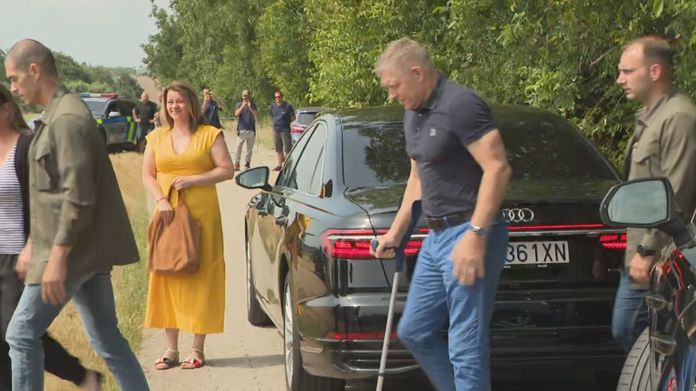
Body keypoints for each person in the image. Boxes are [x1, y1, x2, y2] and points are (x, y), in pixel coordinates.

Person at [3, 39, 149, 391]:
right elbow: (49, 196)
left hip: (72, 253)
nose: (13, 88)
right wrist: (34, 244)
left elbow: (78, 196)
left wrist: (56, 257)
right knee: (107, 341)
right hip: (81, 251)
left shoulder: (67, 118)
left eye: (14, 78)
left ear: (35, 70)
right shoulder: (58, 114)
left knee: (21, 334)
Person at [371, 38, 511, 391]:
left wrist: (476, 235)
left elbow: (497, 168)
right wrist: (397, 232)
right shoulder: (412, 112)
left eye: (394, 86)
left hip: (469, 231)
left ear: (417, 73)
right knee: (415, 330)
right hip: (435, 238)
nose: (391, 96)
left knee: (465, 344)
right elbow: (417, 177)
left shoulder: (460, 105)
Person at [0, 85, 103, 391]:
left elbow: (47, 201)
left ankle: (82, 376)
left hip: (19, 255)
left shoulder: (26, 147)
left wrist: (34, 245)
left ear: (6, 110)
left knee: (16, 330)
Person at [142, 81, 234, 370]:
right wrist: (160, 200)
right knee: (167, 274)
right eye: (170, 102)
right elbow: (148, 175)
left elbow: (227, 169)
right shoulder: (156, 137)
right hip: (168, 214)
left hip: (202, 215)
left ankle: (197, 348)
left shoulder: (209, 134)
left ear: (191, 104)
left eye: (179, 101)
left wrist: (194, 180)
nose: (174, 107)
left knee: (202, 274)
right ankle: (170, 348)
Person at [612, 35, 696, 352]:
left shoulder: (678, 118)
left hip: (664, 257)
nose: (620, 79)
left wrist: (647, 251)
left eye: (627, 71)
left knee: (633, 331)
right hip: (641, 252)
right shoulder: (652, 116)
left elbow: (677, 194)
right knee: (639, 335)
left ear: (655, 71)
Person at [269, 90, 295, 171]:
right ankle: (280, 165)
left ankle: (287, 165)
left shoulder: (287, 106)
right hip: (276, 130)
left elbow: (293, 118)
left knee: (287, 149)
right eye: (276, 97)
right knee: (278, 149)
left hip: (285, 130)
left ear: (282, 97)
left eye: (279, 97)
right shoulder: (273, 107)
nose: (278, 98)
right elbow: (271, 116)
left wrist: (287, 123)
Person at [233, 89, 257, 170]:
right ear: (242, 96)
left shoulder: (253, 104)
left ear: (249, 96)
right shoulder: (239, 104)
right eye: (244, 96)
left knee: (249, 149)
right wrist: (243, 106)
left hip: (251, 129)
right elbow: (236, 114)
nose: (245, 97)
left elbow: (256, 114)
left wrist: (250, 107)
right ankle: (237, 163)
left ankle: (247, 163)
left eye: (246, 95)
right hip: (241, 129)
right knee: (238, 147)